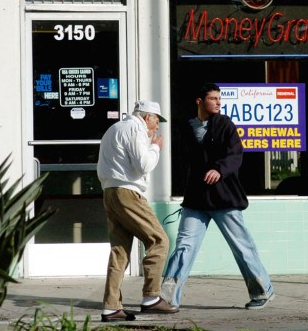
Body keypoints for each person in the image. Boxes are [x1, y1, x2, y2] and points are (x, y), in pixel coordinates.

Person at [161, 83, 274, 310]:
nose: (218, 102)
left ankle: (262, 291)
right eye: (213, 98)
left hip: (224, 198)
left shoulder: (225, 125)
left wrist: (219, 169)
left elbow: (235, 155)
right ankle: (166, 299)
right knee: (184, 246)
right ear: (199, 101)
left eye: (219, 98)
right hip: (196, 200)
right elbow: (182, 160)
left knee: (241, 246)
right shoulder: (186, 127)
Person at [96, 100, 179, 321]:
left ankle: (111, 307)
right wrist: (155, 148)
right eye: (156, 120)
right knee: (159, 240)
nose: (157, 126)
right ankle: (151, 297)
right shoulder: (136, 128)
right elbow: (143, 165)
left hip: (110, 191)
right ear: (145, 117)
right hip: (127, 192)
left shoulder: (114, 128)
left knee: (120, 251)